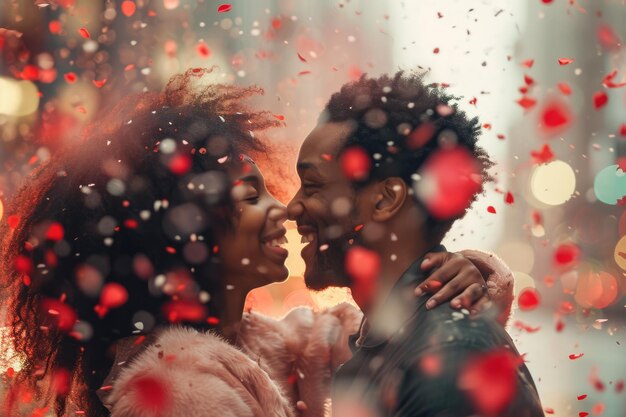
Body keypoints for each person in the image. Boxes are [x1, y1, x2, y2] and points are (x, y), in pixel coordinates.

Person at [0, 68, 512, 417]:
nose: (283, 209)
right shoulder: (178, 392)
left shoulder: (261, 345)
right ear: (185, 232)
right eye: (249, 197)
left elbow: (354, 333)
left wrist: (465, 271)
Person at [287, 71, 544, 416]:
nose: (291, 208)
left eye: (313, 186)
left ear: (385, 200)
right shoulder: (391, 342)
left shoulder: (450, 361)